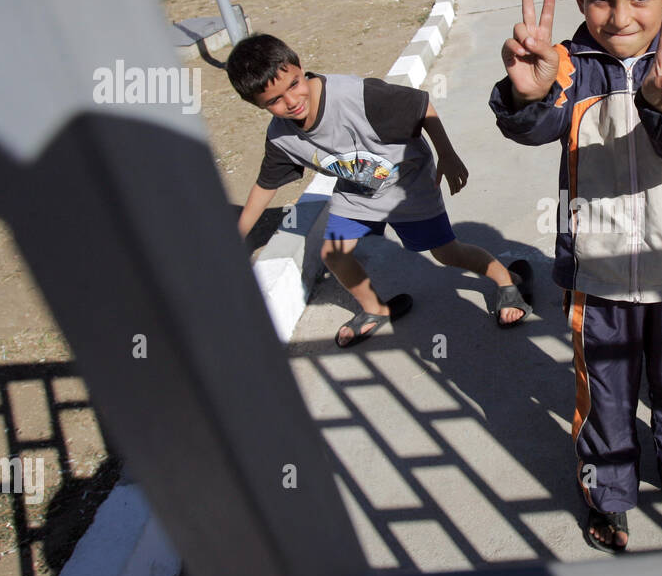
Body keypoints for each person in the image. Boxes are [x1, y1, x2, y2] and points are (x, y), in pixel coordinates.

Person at [490, 0, 662, 552]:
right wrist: (527, 93)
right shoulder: (566, 64)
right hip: (598, 283)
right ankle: (608, 494)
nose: (620, 17)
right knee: (606, 397)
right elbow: (535, 126)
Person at [227, 33, 533, 347]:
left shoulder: (352, 96)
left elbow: (421, 104)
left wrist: (447, 154)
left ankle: (507, 280)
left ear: (299, 66)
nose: (291, 102)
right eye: (274, 101)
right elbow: (265, 186)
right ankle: (375, 310)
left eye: (293, 84)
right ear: (257, 105)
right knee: (333, 254)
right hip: (358, 192)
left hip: (407, 185)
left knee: (446, 253)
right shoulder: (281, 137)